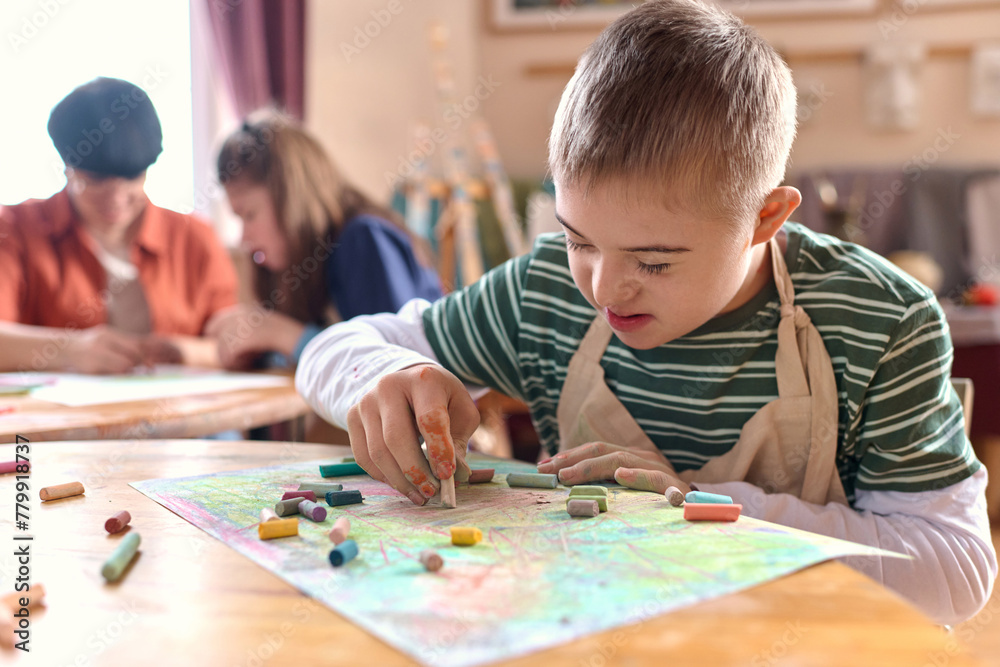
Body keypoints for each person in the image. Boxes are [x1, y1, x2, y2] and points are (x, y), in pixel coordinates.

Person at [294, 0, 996, 625]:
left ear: (765, 218)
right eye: (579, 239)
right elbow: (334, 348)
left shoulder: (878, 320)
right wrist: (383, 377)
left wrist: (706, 506)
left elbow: (956, 571)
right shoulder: (546, 290)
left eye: (654, 261)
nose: (603, 288)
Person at [0, 77, 239, 373]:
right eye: (96, 180)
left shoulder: (195, 238)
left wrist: (182, 352)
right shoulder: (15, 230)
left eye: (131, 177)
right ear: (67, 168)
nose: (116, 197)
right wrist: (68, 351)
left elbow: (236, 342)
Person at [206, 110, 443, 370]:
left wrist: (282, 334)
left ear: (293, 198)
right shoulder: (293, 264)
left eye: (250, 215)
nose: (243, 238)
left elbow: (398, 363)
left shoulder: (361, 238)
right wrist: (258, 348)